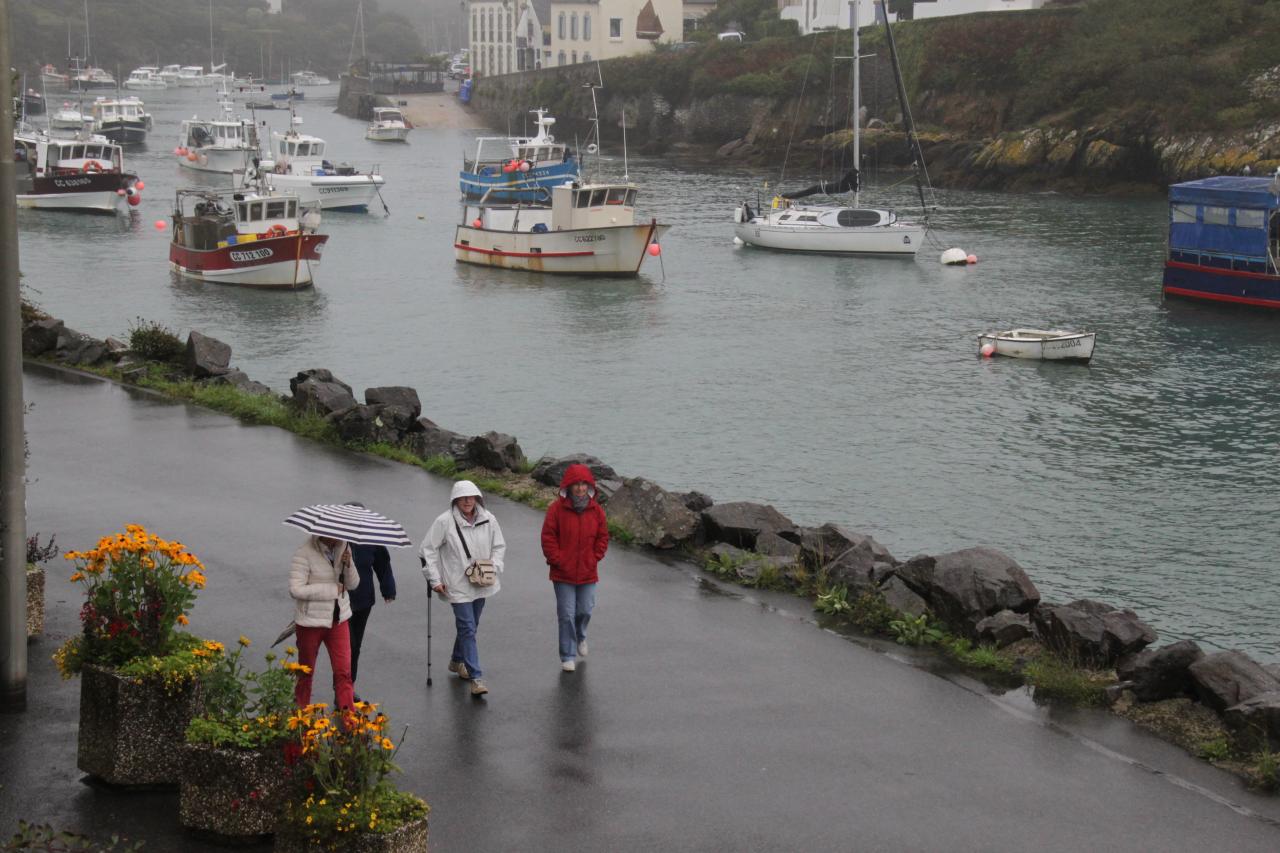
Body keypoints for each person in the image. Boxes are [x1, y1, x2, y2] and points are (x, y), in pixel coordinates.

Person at [420, 480, 506, 697]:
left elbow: (499, 546)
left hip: (483, 582)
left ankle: (457, 660)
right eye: (463, 497)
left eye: (471, 497)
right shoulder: (444, 522)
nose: (468, 501)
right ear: (455, 500)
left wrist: (493, 567)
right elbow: (427, 550)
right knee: (467, 627)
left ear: (477, 498)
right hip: (457, 584)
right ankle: (476, 678)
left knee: (471, 625)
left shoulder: (489, 519)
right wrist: (434, 579)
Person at [541, 463, 609, 673]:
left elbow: (603, 536)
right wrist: (557, 559)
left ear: (589, 486)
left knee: (585, 610)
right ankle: (568, 654)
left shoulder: (596, 510)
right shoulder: (556, 510)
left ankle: (581, 636)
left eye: (583, 484)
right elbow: (548, 537)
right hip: (563, 573)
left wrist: (595, 556)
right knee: (566, 614)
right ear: (568, 486)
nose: (580, 488)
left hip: (588, 571)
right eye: (576, 484)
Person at [289, 534, 360, 709]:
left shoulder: (344, 547)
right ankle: (301, 719)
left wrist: (349, 566)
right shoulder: (304, 552)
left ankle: (349, 722)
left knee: (344, 672)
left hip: (339, 619)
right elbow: (295, 589)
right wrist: (332, 590)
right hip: (310, 622)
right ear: (321, 534)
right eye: (332, 535)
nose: (337, 538)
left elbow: (353, 584)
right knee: (305, 672)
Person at [345, 503, 398, 703]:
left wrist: (388, 589)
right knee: (347, 645)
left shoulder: (371, 538)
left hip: (364, 600)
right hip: (339, 601)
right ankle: (342, 689)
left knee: (356, 646)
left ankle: (348, 685)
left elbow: (383, 564)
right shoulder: (334, 538)